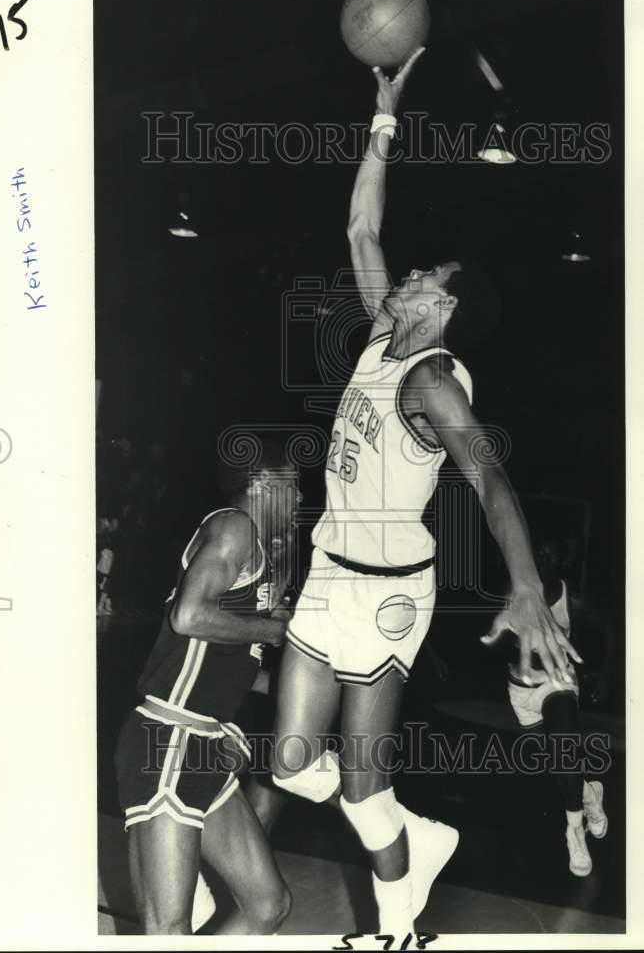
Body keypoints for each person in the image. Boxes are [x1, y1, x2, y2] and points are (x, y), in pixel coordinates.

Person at [266, 50, 582, 935]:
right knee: (294, 767)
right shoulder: (381, 336)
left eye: (425, 279)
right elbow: (363, 232)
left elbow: (488, 476)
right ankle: (419, 837)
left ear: (441, 311)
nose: (407, 277)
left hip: (388, 595)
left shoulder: (436, 380)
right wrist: (384, 116)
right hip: (329, 571)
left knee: (365, 794)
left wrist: (526, 588)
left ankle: (398, 924)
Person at [114, 446, 299, 934]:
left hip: (205, 749)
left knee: (268, 905)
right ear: (260, 484)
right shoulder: (234, 527)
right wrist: (272, 631)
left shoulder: (257, 564)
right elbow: (189, 616)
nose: (300, 496)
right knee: (167, 931)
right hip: (167, 739)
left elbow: (231, 668)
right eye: (292, 484)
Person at [498, 536, 610, 876]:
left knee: (564, 749)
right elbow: (494, 640)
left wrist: (603, 673)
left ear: (561, 561)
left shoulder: (568, 597)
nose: (544, 555)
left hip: (558, 682)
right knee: (557, 768)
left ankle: (575, 832)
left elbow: (608, 625)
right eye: (540, 550)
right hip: (521, 691)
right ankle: (590, 791)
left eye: (552, 551)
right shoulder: (510, 591)